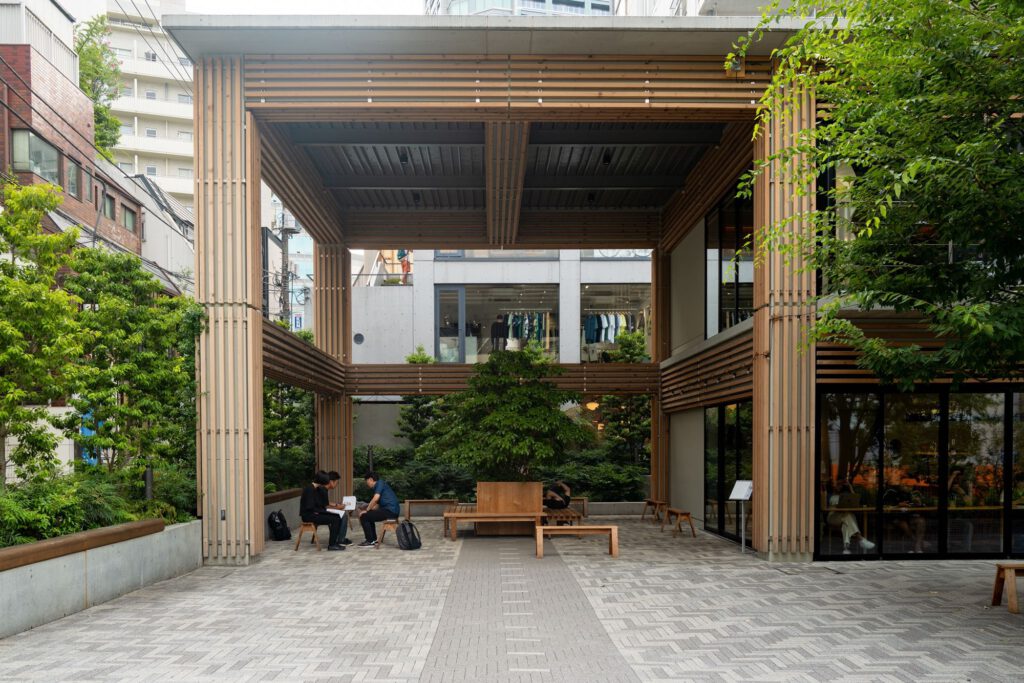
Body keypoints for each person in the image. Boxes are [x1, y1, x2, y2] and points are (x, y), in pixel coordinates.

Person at [825, 480, 875, 554]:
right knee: (849, 516)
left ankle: (846, 548)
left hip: (843, 517)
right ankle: (860, 539)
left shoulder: (845, 495)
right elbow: (826, 508)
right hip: (832, 517)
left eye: (841, 485)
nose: (839, 487)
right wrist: (836, 507)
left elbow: (855, 500)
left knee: (846, 521)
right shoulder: (829, 495)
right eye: (837, 485)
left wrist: (850, 487)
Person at [300, 471, 346, 551]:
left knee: (336, 516)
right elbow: (309, 507)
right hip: (309, 515)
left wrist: (325, 511)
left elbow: (321, 504)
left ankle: (334, 542)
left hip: (316, 513)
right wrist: (324, 512)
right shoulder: (309, 489)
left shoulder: (316, 489)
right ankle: (332, 545)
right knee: (335, 519)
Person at [357, 472, 400, 547]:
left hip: (390, 511)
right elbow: (377, 505)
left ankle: (370, 541)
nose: (367, 484)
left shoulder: (379, 483)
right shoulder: (380, 485)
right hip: (391, 511)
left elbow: (375, 499)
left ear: (370, 479)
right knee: (368, 515)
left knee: (364, 516)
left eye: (367, 481)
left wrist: (366, 510)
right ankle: (372, 540)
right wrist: (368, 510)